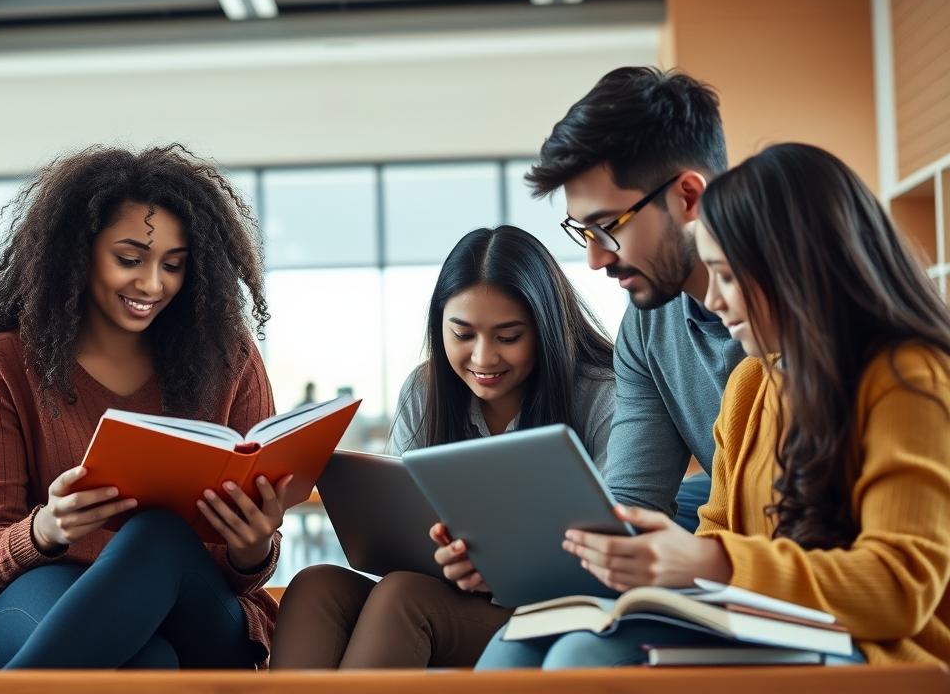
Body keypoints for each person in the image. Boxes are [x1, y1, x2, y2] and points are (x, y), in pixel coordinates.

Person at [478, 143, 950, 668]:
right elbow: (717, 535)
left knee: (584, 656)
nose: (714, 300)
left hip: (879, 655)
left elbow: (898, 589)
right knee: (516, 645)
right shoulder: (751, 385)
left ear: (796, 266)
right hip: (771, 629)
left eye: (726, 275)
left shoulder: (907, 379)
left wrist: (709, 561)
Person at [0, 145, 289, 669]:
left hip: (195, 608)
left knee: (157, 534)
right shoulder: (4, 365)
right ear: (78, 252)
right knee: (147, 664)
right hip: (45, 593)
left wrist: (253, 546)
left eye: (173, 265)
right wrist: (46, 528)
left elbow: (240, 572)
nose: (152, 284)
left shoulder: (231, 360)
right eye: (129, 259)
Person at [270, 225, 615, 669]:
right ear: (440, 327)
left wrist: (502, 567)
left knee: (405, 596)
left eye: (508, 337)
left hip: (560, 609)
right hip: (450, 593)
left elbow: (619, 546)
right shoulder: (426, 388)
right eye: (463, 334)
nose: (484, 358)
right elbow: (395, 538)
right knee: (316, 585)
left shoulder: (602, 393)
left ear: (546, 328)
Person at [526, 66, 745, 532]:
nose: (596, 259)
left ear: (688, 198)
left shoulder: (809, 312)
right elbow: (634, 504)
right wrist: (502, 553)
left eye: (608, 226)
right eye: (583, 231)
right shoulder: (646, 326)